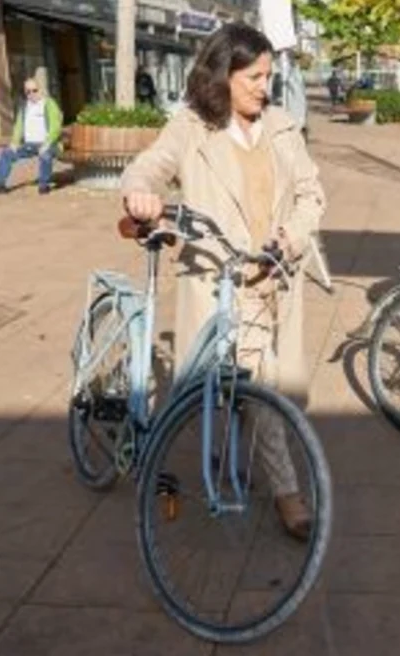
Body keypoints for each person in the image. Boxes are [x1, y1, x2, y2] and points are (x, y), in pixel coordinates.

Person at [120, 23, 326, 540]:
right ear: (223, 75)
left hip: (275, 276)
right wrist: (140, 193)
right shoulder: (191, 127)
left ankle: (249, 454)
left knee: (259, 386)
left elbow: (311, 195)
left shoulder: (281, 125)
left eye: (269, 76)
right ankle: (287, 493)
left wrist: (292, 237)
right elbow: (148, 167)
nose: (265, 87)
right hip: (220, 282)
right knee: (260, 382)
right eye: (254, 76)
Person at [0, 78, 63, 194]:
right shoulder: (24, 106)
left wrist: (47, 143)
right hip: (29, 145)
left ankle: (43, 185)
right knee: (6, 153)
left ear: (40, 90)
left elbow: (56, 127)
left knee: (45, 155)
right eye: (28, 91)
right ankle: (0, 184)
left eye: (34, 90)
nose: (31, 94)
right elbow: (19, 126)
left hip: (48, 143)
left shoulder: (49, 103)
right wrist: (14, 142)